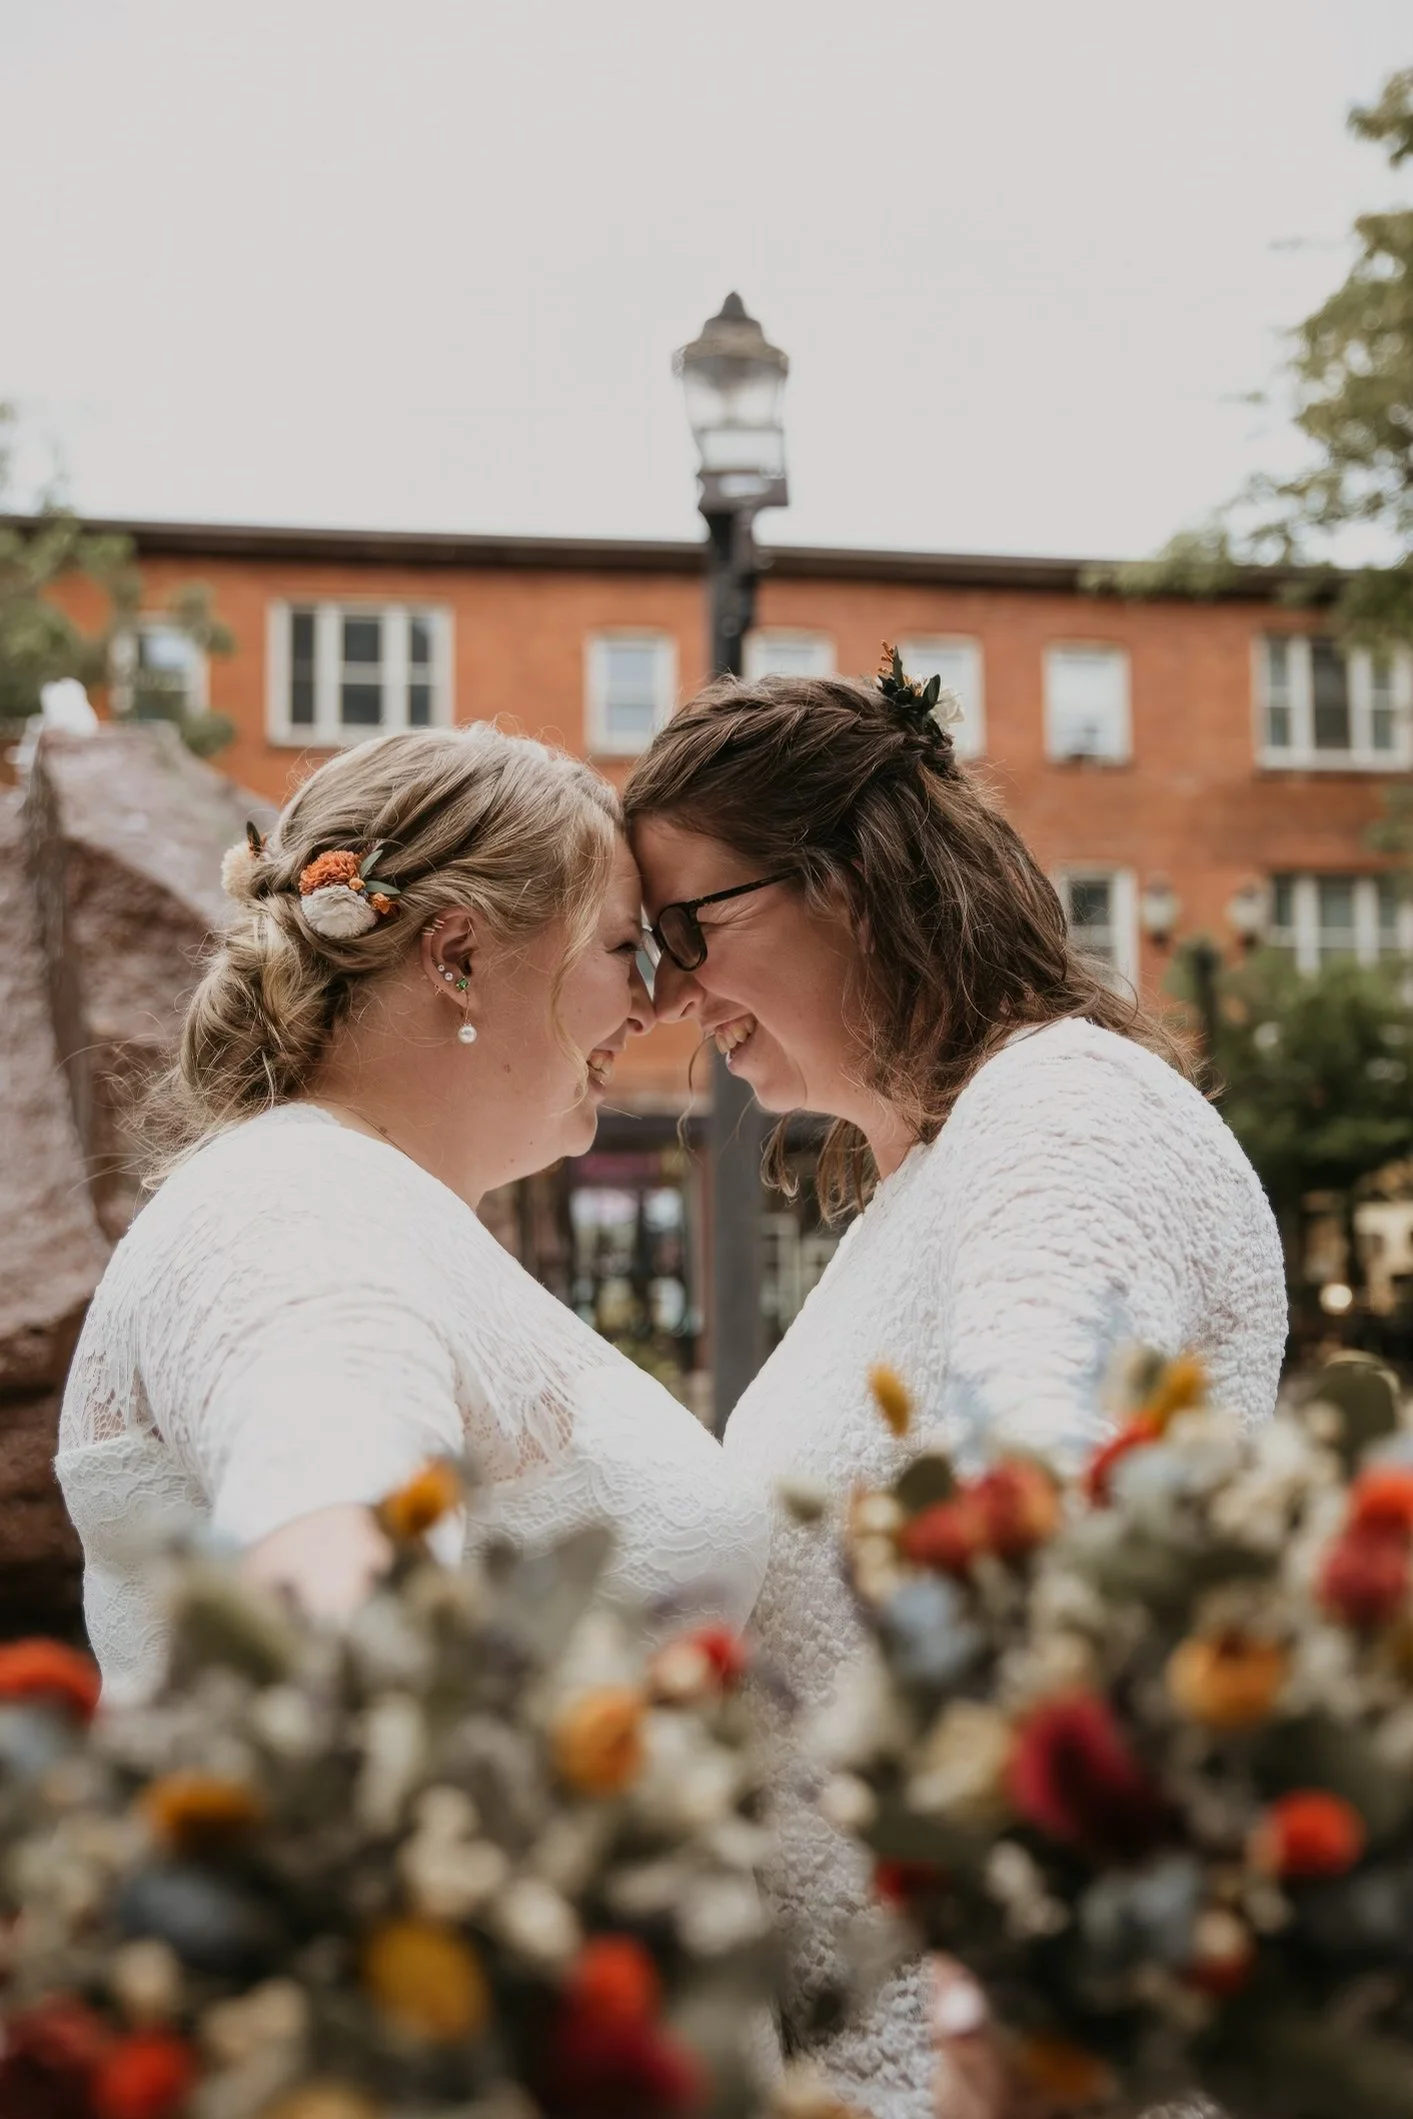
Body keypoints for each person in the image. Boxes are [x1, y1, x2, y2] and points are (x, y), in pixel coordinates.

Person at [625, 657, 1287, 2119]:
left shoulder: (1060, 1109)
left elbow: (1045, 1530)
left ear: (848, 880)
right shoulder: (930, 1176)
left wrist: (1007, 2019)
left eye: (691, 925)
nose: (670, 988)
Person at [57, 724, 769, 1704]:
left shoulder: (368, 1202)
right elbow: (327, 1566)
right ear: (459, 954)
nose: (652, 1006)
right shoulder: (290, 1211)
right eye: (621, 946)